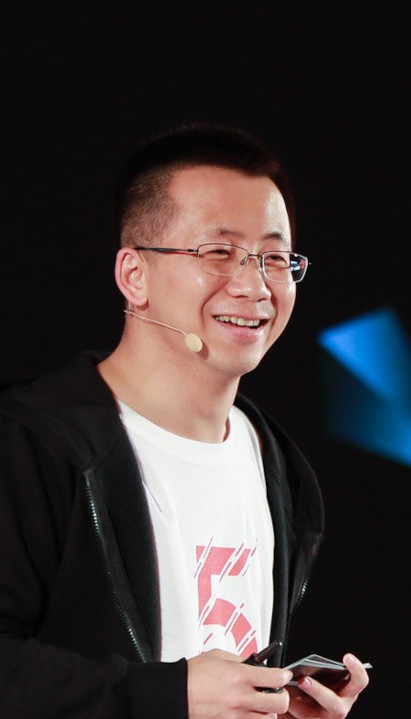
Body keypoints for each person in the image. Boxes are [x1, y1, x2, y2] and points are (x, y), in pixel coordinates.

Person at [0, 123, 369, 718]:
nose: (254, 286)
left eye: (275, 258)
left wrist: (273, 705)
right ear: (134, 275)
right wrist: (166, 696)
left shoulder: (276, 464)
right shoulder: (31, 445)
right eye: (218, 253)